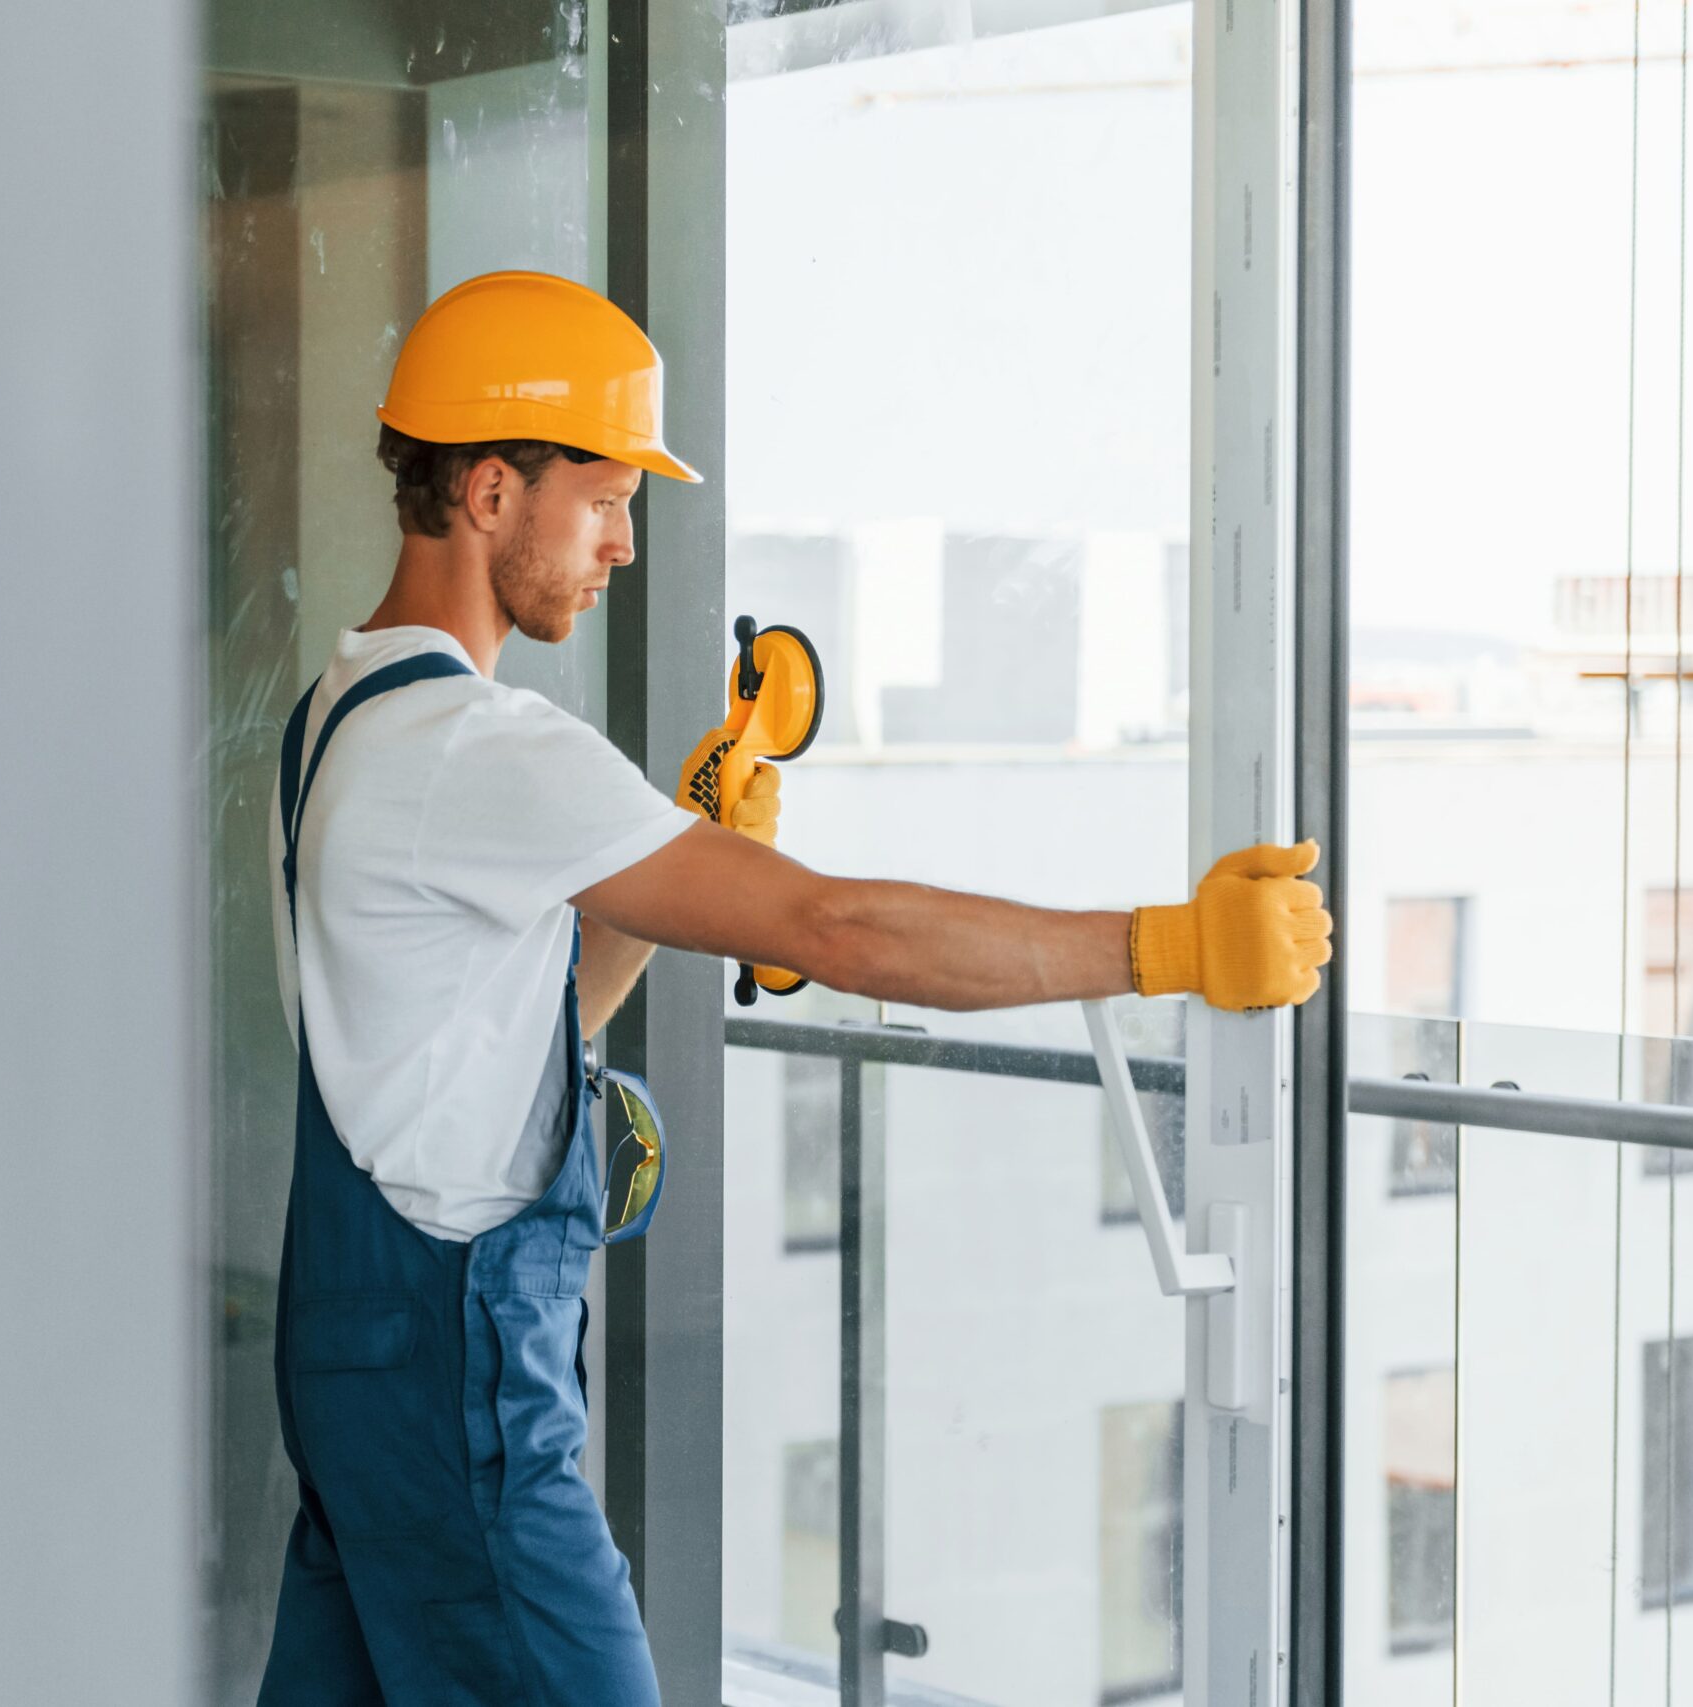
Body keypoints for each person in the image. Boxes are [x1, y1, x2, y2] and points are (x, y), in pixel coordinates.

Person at [259, 270, 1334, 1706]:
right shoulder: (477, 745)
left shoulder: (340, 712)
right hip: (463, 1410)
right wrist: (1162, 948)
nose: (625, 545)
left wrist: (691, 847)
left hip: (356, 1381)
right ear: (493, 492)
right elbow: (845, 930)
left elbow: (489, 1041)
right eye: (604, 497)